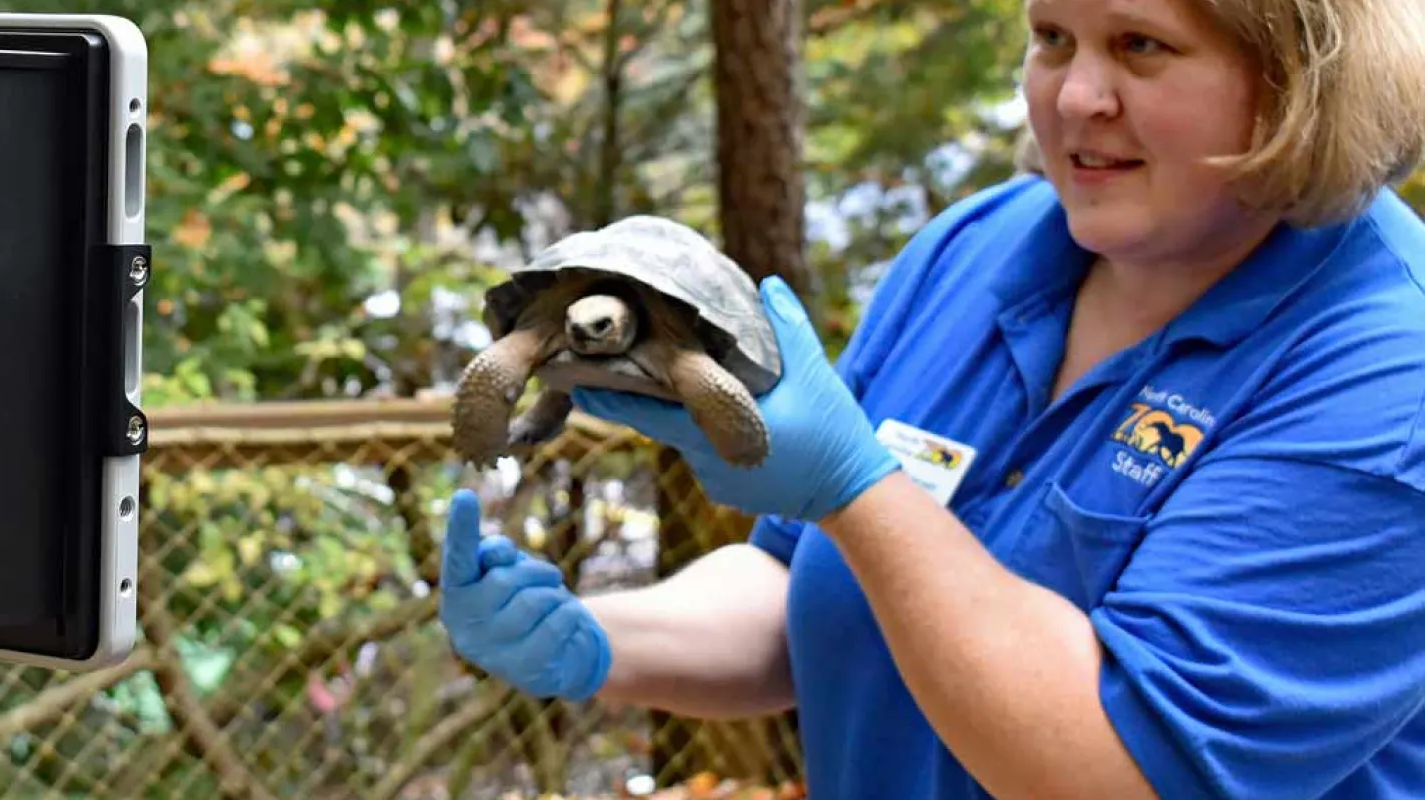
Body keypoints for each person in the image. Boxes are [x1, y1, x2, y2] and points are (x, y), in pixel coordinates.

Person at [436, 0, 1425, 798]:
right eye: (1051, 38)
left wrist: (859, 489)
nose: (1076, 95)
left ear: (1299, 81)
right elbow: (803, 586)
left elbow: (1121, 769)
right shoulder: (980, 247)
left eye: (1141, 45)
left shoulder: (1385, 370)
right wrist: (596, 638)